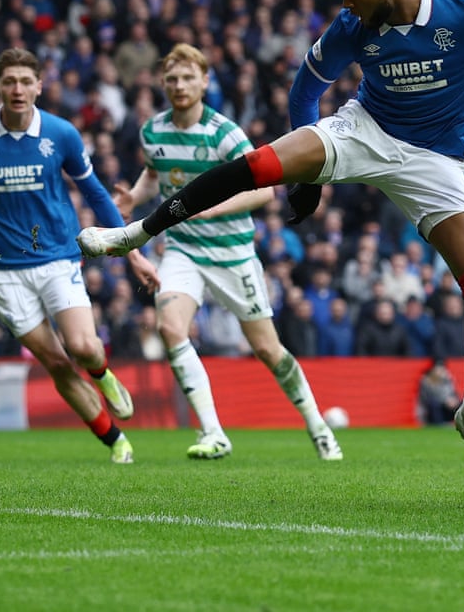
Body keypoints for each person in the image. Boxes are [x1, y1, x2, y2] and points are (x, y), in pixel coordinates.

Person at [78, 0, 464, 484]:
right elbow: (305, 90)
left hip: (438, 158)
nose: (346, 4)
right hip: (364, 129)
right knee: (261, 164)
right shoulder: (352, 27)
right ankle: (136, 233)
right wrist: (308, 175)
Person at [113, 43, 342, 461]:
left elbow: (264, 193)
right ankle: (213, 432)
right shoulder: (153, 131)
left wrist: (207, 206)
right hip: (182, 249)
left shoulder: (225, 133)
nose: (179, 85)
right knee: (170, 328)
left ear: (204, 82)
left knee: (269, 351)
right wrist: (133, 195)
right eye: (172, 78)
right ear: (163, 85)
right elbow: (153, 175)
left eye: (187, 77)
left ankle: (318, 425)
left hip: (233, 254)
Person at [0, 48, 160, 464]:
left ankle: (102, 374)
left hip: (57, 257)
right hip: (2, 270)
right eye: (9, 82)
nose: (18, 90)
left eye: (26, 81)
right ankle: (116, 441)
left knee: (83, 347)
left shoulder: (61, 134)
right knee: (57, 363)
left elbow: (95, 191)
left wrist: (130, 250)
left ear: (40, 86)